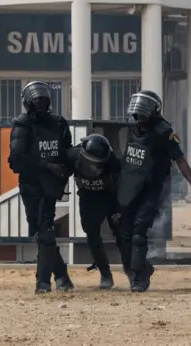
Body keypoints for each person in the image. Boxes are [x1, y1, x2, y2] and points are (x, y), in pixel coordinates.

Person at [117, 90, 191, 292]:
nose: (139, 117)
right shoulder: (132, 127)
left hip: (151, 189)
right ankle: (140, 269)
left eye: (143, 112)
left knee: (139, 232)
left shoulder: (164, 132)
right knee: (124, 234)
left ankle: (138, 279)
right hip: (129, 187)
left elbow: (180, 159)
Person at [7, 80, 74, 294]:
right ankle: (62, 276)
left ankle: (43, 282)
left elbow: (66, 153)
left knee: (45, 230)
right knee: (40, 231)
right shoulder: (23, 125)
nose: (41, 107)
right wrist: (46, 165)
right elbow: (16, 160)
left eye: (43, 102)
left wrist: (66, 168)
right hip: (31, 185)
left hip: (50, 187)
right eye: (37, 103)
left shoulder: (59, 124)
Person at [66, 133, 123, 290]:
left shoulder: (112, 161)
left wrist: (120, 210)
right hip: (88, 198)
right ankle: (105, 273)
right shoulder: (72, 155)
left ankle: (134, 270)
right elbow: (62, 171)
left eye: (96, 164)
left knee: (122, 234)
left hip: (109, 198)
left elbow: (121, 187)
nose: (92, 168)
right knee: (92, 237)